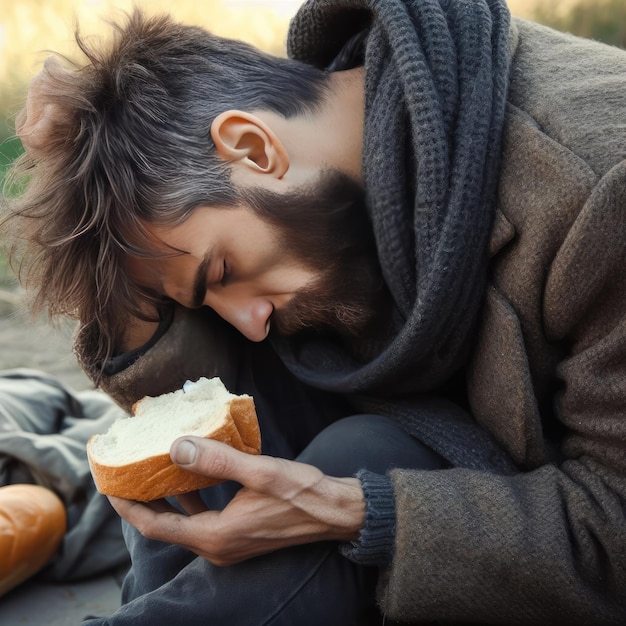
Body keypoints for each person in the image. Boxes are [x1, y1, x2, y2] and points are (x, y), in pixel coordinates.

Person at [2, 0, 625, 623]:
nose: (248, 320)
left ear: (252, 146)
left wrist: (355, 508)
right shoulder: (339, 144)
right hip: (418, 453)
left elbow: (615, 535)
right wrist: (73, 174)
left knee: (363, 451)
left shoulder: (597, 188)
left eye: (222, 274)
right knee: (213, 443)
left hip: (548, 534)